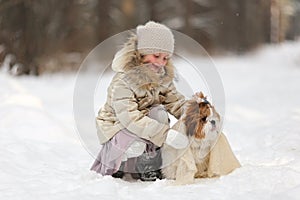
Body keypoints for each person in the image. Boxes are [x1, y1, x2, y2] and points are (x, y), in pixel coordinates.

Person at [90, 21, 189, 181]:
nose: (160, 63)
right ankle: (120, 163)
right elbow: (129, 117)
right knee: (136, 142)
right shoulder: (124, 80)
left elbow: (175, 102)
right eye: (156, 56)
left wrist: (195, 114)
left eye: (165, 58)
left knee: (159, 113)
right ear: (141, 53)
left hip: (144, 125)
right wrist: (165, 134)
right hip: (117, 126)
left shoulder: (162, 77)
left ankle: (149, 163)